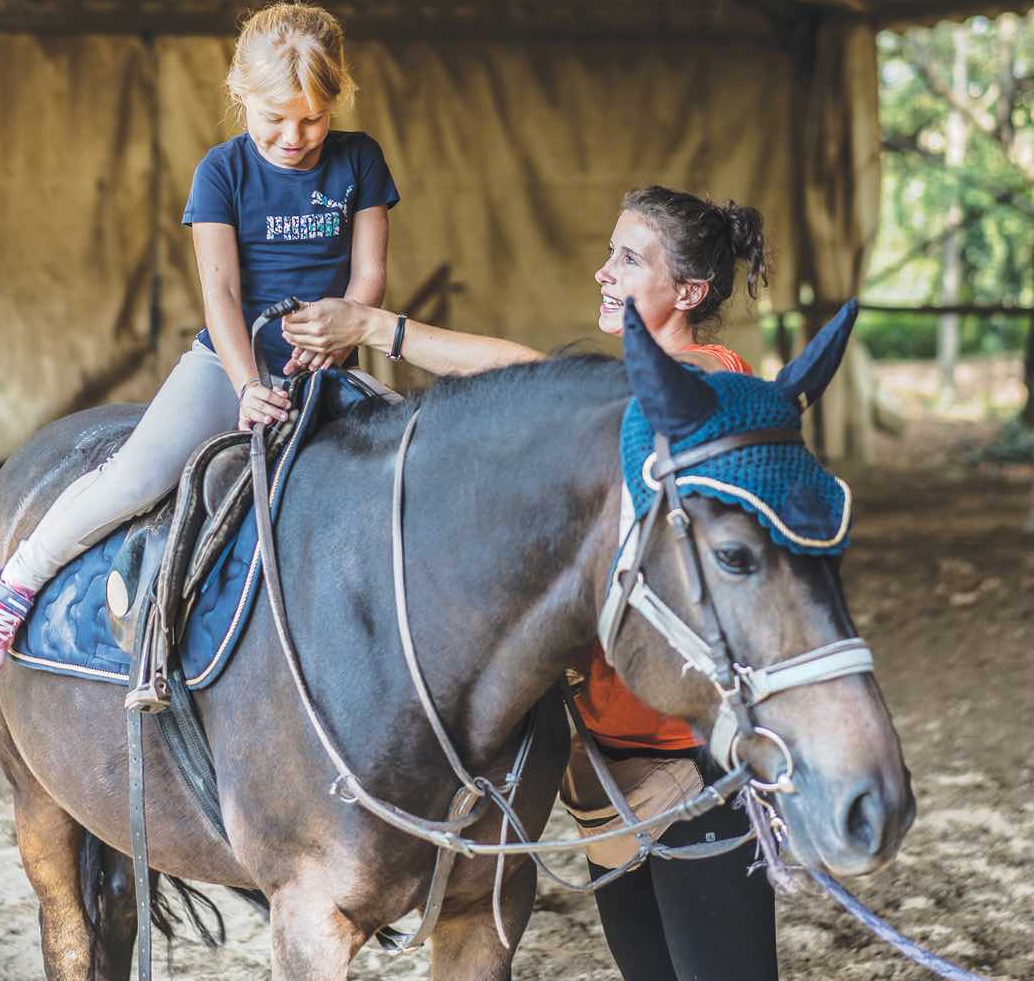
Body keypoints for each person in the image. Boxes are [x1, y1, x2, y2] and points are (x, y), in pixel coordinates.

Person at [279, 185, 778, 980]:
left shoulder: (706, 389)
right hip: (607, 770)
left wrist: (379, 328)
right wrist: (379, 329)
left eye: (628, 259)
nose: (602, 272)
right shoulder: (637, 391)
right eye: (609, 253)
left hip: (690, 765)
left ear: (690, 293)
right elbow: (532, 375)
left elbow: (532, 382)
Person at [0, 0, 400, 685]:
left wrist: (345, 328)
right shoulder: (221, 173)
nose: (294, 135)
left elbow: (369, 274)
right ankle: (12, 586)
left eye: (313, 118)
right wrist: (247, 383)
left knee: (404, 475)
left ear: (337, 101)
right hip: (228, 364)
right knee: (135, 477)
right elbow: (219, 292)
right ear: (239, 96)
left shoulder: (359, 159)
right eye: (275, 118)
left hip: (330, 361)